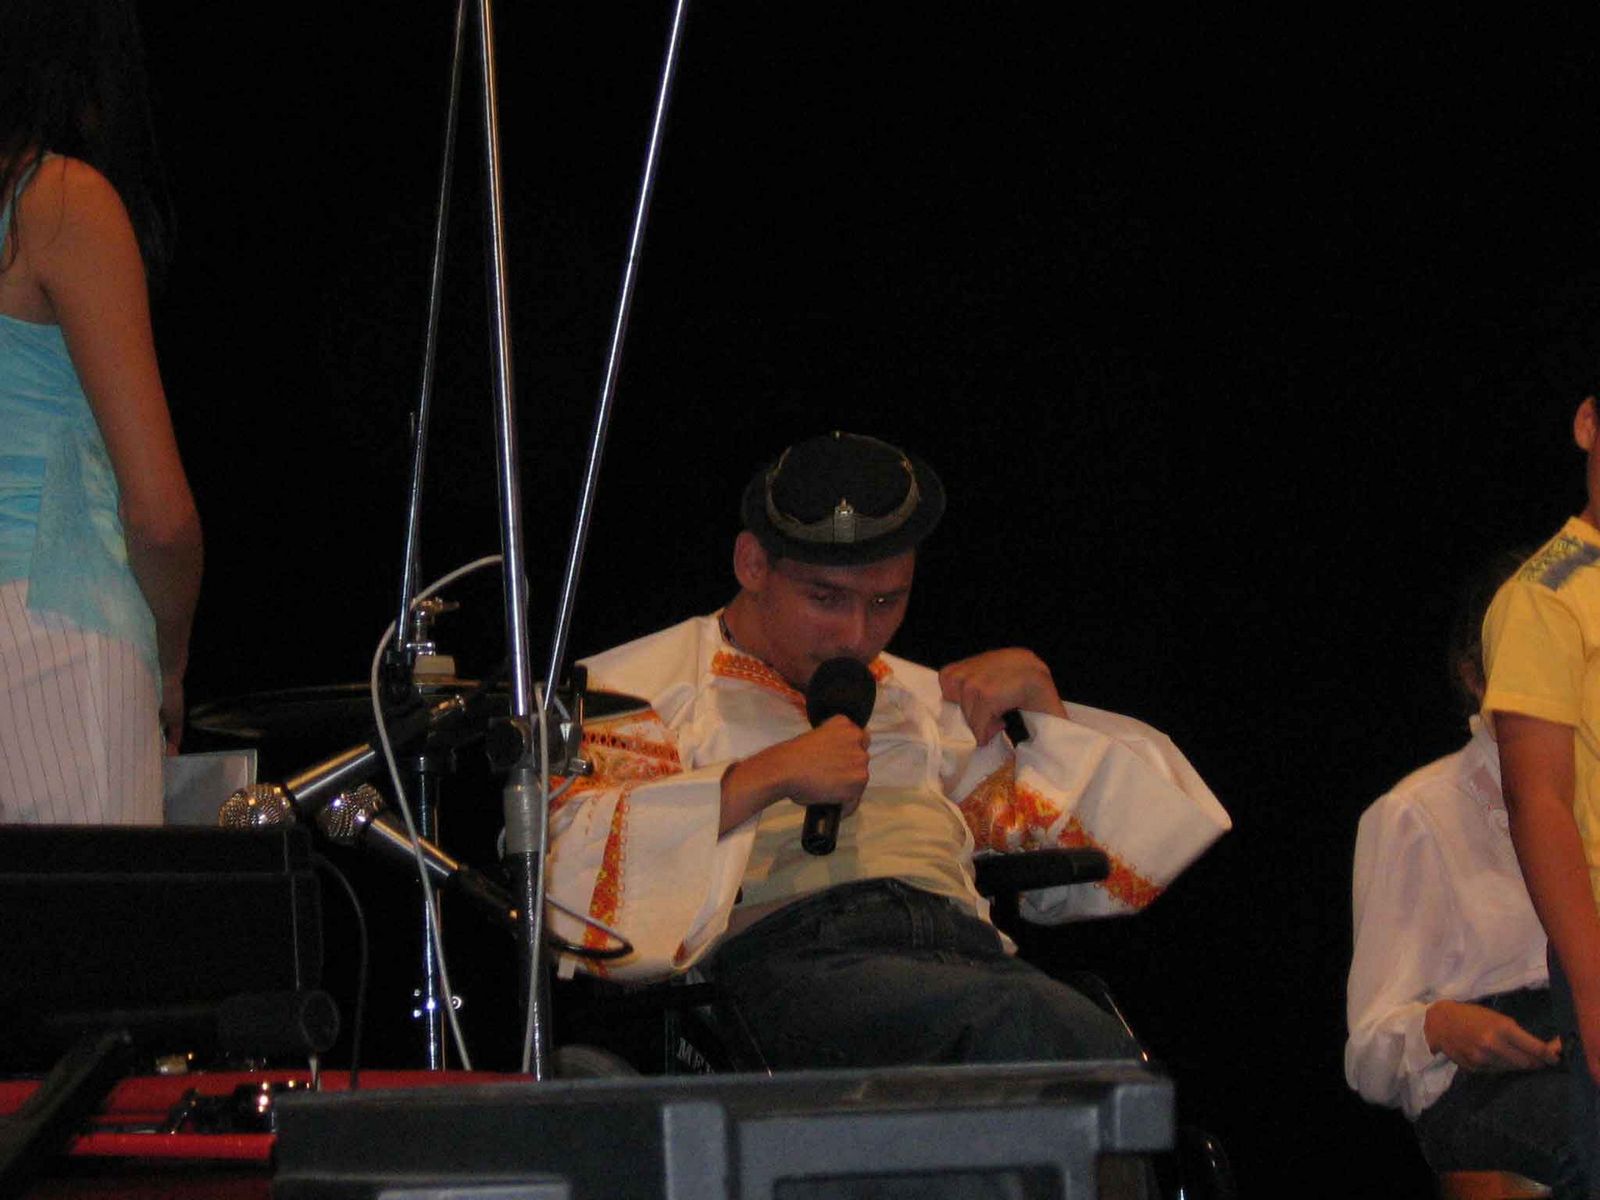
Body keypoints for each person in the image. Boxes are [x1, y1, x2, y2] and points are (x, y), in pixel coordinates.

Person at [545, 431, 1229, 1070]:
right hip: (792, 965)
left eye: (884, 602)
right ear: (752, 564)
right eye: (826, 598)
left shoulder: (924, 701)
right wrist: (761, 777)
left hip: (961, 956)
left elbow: (1099, 882)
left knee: (1099, 1056)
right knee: (1033, 1030)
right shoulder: (641, 689)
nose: (855, 634)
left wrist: (1044, 709)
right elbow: (577, 897)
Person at [0, 0, 202, 823]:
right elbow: (159, 516)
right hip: (54, 629)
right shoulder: (58, 200)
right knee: (94, 907)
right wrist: (172, 660)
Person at [1346, 552, 1579, 1196]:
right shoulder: (1419, 813)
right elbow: (1367, 1052)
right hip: (1486, 1084)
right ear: (1476, 678)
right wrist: (1444, 1025)